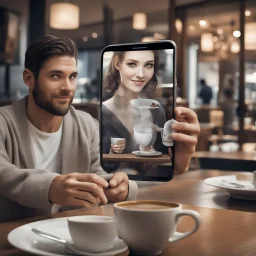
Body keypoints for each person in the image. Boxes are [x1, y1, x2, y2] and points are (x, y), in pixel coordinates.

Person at [0, 36, 138, 223]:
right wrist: (51, 188)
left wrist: (121, 187)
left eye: (72, 77)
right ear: (29, 79)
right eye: (55, 76)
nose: (67, 87)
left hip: (71, 238)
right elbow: (4, 175)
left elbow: (100, 174)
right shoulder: (3, 123)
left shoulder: (87, 124)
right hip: (10, 240)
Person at [102, 50, 200, 174]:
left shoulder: (156, 110)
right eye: (132, 64)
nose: (141, 74)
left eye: (148, 65)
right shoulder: (100, 113)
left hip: (152, 190)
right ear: (117, 63)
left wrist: (180, 163)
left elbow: (165, 168)